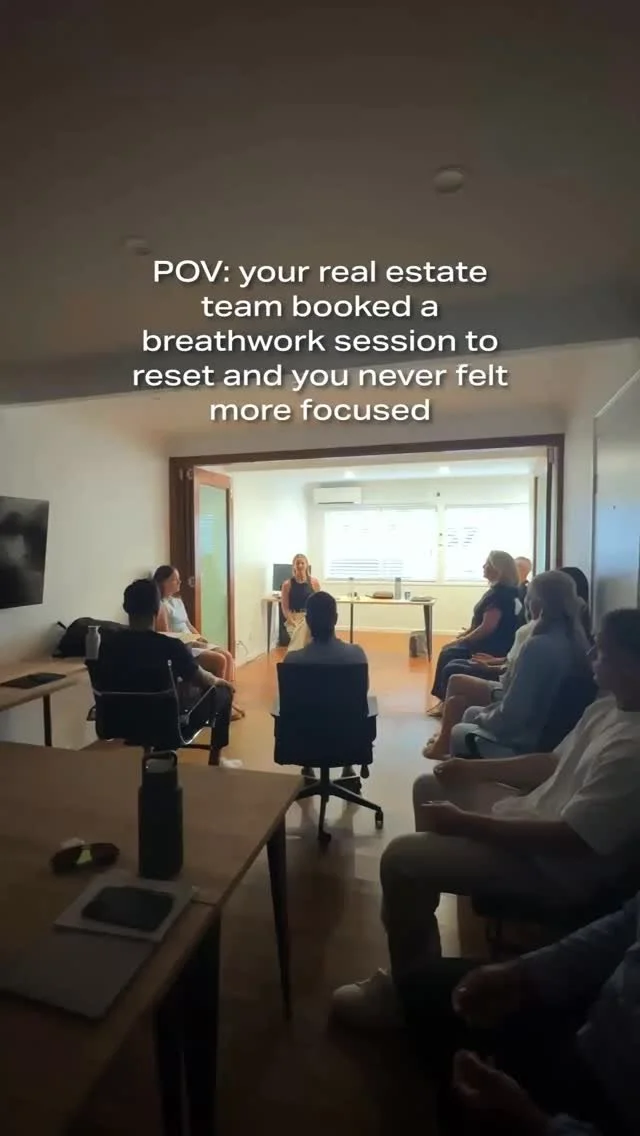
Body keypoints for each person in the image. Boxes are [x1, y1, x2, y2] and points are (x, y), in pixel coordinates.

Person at [331, 608, 640, 1028]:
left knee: (400, 859)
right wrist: (474, 770)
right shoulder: (609, 709)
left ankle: (406, 993)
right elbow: (551, 763)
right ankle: (424, 948)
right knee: (429, 785)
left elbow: (572, 838)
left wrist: (467, 824)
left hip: (554, 868)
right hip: (535, 820)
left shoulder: (632, 749)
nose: (589, 654)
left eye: (601, 649)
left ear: (631, 663)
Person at [397, 895, 640, 1136]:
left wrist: (535, 1123)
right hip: (592, 1021)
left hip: (608, 1112)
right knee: (418, 991)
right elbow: (627, 924)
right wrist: (523, 974)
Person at [98, 578, 240, 769]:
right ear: (158, 609)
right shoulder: (170, 646)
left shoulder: (107, 644)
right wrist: (222, 682)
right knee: (224, 692)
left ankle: (154, 752)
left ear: (126, 608)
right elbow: (201, 679)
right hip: (166, 724)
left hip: (118, 720)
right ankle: (215, 761)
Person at [449, 570, 593, 758]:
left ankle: (463, 772)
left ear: (537, 604)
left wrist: (482, 718)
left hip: (525, 741)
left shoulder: (538, 646)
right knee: (471, 712)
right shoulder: (577, 639)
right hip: (552, 734)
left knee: (460, 730)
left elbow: (513, 715)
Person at [283, 590, 369, 778]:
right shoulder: (357, 655)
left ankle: (307, 764)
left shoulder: (292, 660)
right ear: (335, 619)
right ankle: (347, 765)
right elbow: (361, 695)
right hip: (348, 739)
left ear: (307, 621)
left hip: (303, 740)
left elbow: (289, 703)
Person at [429, 551, 523, 712]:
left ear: (497, 569)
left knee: (448, 653)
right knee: (449, 652)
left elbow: (487, 628)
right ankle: (444, 700)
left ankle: (445, 701)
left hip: (491, 646)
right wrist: (466, 634)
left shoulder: (500, 595)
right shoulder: (506, 591)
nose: (483, 566)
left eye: (487, 564)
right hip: (495, 642)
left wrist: (462, 640)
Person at [152, 565, 244, 719]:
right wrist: (193, 642)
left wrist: (199, 637)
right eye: (175, 580)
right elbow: (168, 635)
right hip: (184, 646)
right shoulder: (161, 606)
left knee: (228, 656)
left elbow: (188, 624)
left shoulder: (177, 601)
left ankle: (227, 703)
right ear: (163, 582)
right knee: (220, 660)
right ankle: (215, 709)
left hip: (192, 641)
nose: (179, 582)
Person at [280, 554, 320, 639]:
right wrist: (292, 622)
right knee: (298, 642)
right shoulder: (287, 585)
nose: (300, 565)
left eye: (302, 563)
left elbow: (318, 604)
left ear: (306, 565)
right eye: (297, 563)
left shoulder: (314, 582)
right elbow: (285, 608)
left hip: (310, 617)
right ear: (294, 566)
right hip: (294, 618)